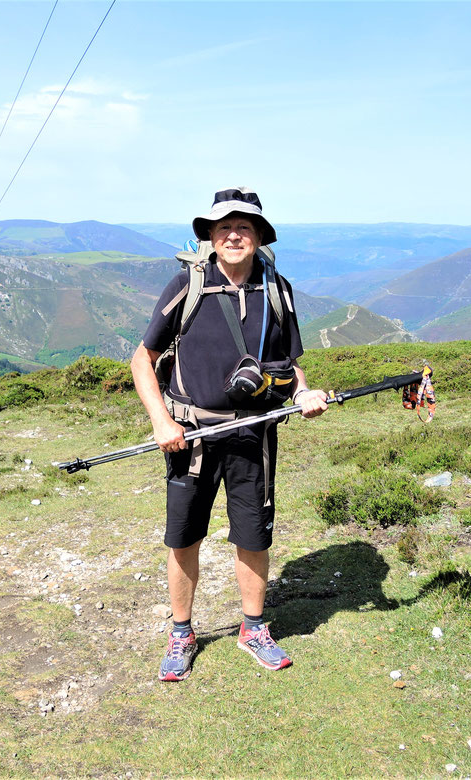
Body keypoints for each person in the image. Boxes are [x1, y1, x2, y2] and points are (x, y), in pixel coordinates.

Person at [130, 187, 328, 681]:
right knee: (184, 537)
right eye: (224, 228)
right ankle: (181, 633)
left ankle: (253, 628)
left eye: (244, 227)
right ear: (211, 237)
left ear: (259, 236)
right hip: (191, 435)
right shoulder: (186, 285)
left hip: (254, 435)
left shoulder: (277, 290)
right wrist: (161, 420)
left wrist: (303, 394)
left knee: (253, 535)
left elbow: (291, 365)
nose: (234, 235)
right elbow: (142, 360)